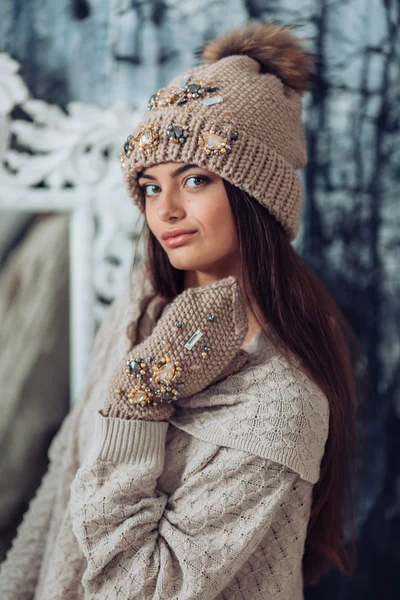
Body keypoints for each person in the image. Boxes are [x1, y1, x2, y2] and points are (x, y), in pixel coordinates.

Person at [0, 21, 363, 599]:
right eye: (149, 185)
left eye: (195, 179)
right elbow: (63, 483)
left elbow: (138, 588)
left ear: (255, 195)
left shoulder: (280, 402)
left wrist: (137, 404)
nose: (165, 209)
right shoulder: (138, 306)